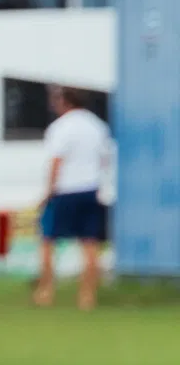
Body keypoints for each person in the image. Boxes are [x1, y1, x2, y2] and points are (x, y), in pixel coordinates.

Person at [36, 83, 114, 311]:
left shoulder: (60, 128)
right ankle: (87, 296)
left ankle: (46, 291)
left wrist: (48, 191)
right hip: (91, 189)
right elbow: (105, 158)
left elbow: (56, 162)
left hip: (65, 190)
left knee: (48, 240)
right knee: (90, 243)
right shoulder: (97, 126)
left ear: (64, 101)